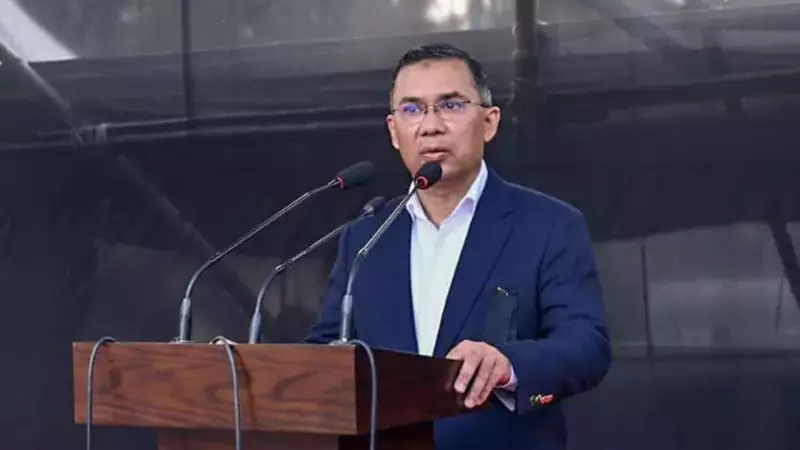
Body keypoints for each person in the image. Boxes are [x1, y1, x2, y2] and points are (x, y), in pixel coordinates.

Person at [305, 43, 611, 450]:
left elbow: (586, 345)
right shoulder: (365, 237)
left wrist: (509, 363)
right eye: (412, 109)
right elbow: (326, 351)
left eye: (450, 105)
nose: (430, 126)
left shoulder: (548, 224)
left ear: (489, 122)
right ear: (394, 131)